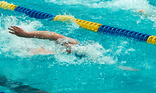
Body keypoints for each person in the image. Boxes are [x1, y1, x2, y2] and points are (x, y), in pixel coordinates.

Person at [8, 26, 139, 70]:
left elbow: (107, 62)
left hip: (64, 55)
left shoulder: (81, 51)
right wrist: (26, 34)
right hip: (61, 53)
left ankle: (34, 50)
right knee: (38, 53)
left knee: (43, 53)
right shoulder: (72, 44)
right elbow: (51, 35)